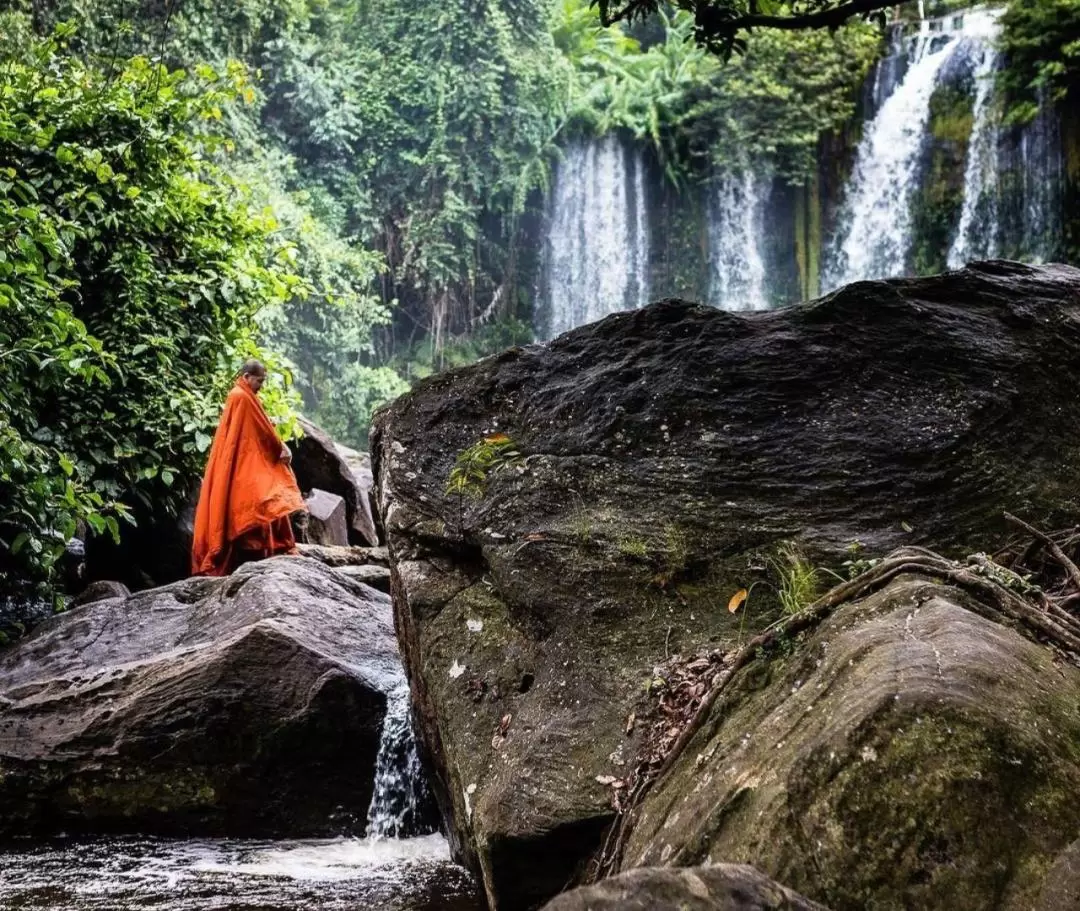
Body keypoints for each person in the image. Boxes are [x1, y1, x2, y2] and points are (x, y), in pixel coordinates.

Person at [191, 359, 306, 576]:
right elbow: (262, 432)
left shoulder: (241, 395)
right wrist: (280, 447)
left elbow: (257, 428)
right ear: (246, 377)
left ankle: (252, 555)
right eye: (259, 381)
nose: (261, 385)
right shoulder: (241, 397)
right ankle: (249, 556)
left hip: (242, 461)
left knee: (254, 501)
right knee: (256, 499)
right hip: (242, 461)